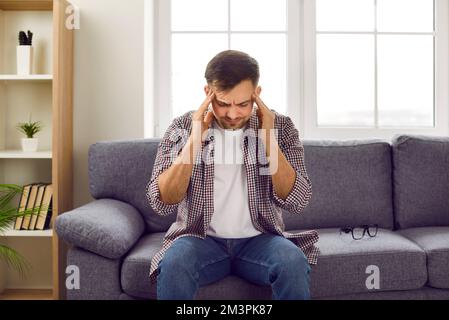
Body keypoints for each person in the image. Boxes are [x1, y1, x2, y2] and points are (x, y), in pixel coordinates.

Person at [146, 50, 319, 300]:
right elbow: (161, 201)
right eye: (223, 103)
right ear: (208, 93)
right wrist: (195, 138)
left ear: (256, 95)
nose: (232, 114)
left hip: (261, 240)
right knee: (174, 263)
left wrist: (268, 138)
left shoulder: (281, 127)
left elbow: (298, 200)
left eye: (243, 104)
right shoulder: (182, 127)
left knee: (291, 261)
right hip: (200, 239)